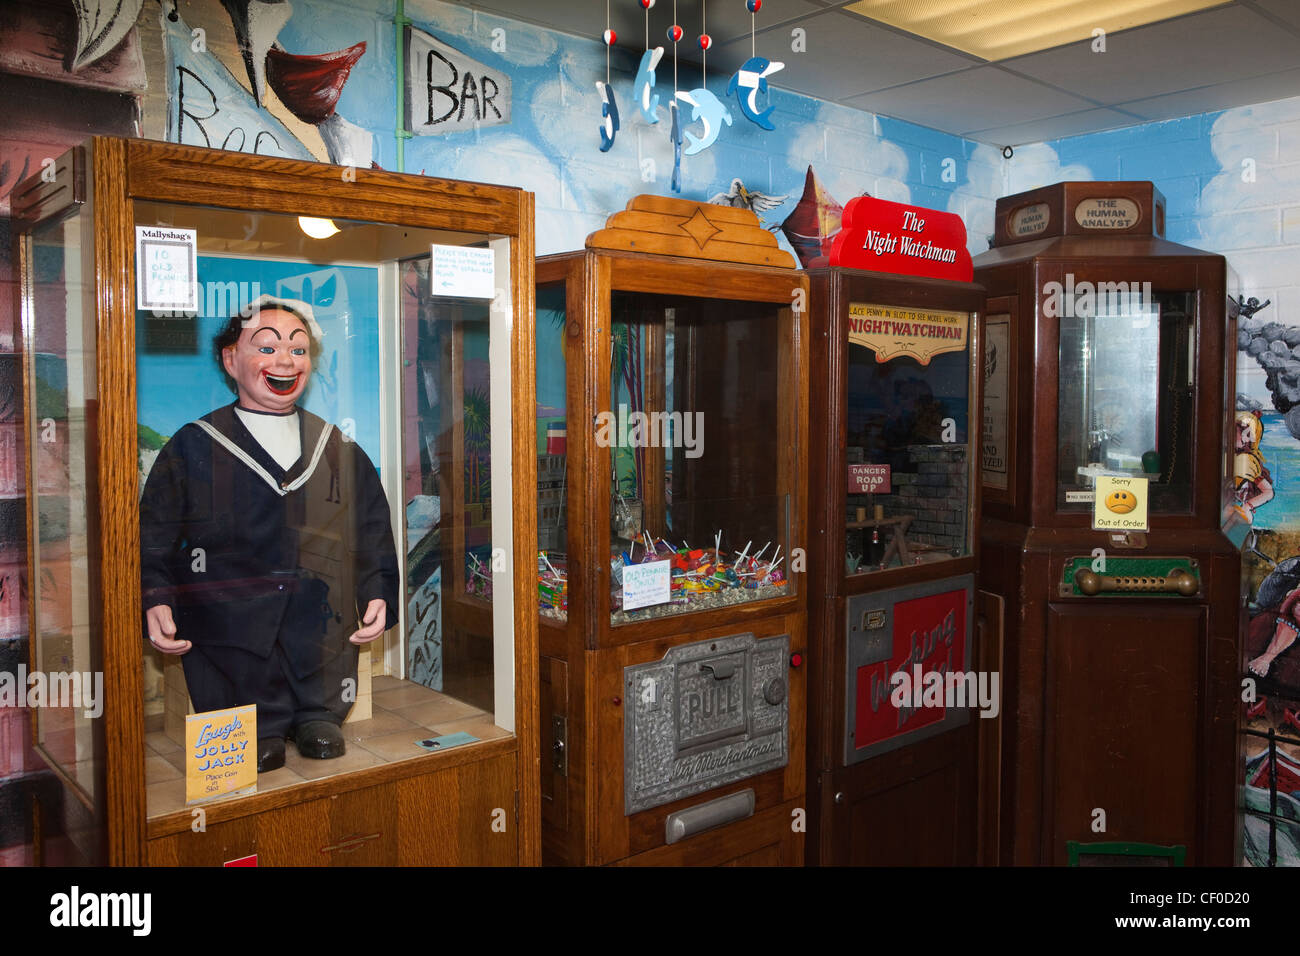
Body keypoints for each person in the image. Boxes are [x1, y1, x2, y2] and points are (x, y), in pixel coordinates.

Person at [140, 296, 399, 773]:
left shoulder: (336, 447)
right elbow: (153, 531)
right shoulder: (194, 444)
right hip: (228, 620)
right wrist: (156, 594)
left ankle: (316, 714)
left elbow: (371, 525)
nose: (286, 360)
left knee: (317, 630)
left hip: (317, 619)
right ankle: (253, 723)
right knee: (235, 648)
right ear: (230, 359)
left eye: (299, 350)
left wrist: (377, 587)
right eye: (267, 346)